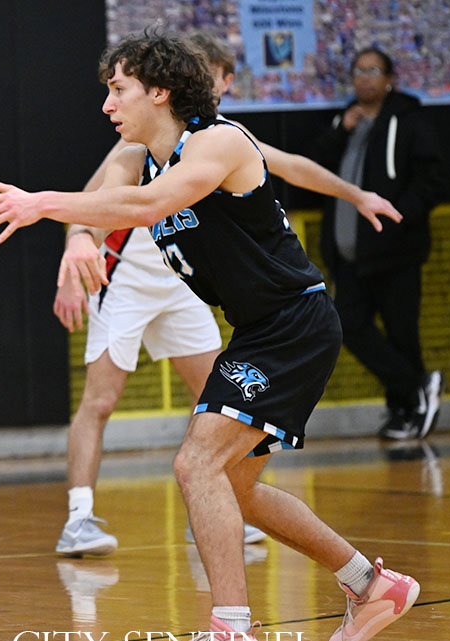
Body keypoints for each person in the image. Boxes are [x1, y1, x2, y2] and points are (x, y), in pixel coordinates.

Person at [0, 31, 419, 641]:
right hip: (262, 329)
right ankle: (371, 584)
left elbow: (149, 206)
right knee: (237, 488)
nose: (107, 105)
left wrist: (40, 203)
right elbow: (111, 194)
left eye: (118, 90)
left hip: (293, 325)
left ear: (159, 90)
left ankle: (233, 639)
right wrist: (78, 237)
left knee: (197, 463)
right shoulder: (139, 155)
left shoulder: (220, 143)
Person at [53, 29, 402, 557]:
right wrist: (75, 248)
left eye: (214, 77)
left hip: (190, 289)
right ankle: (80, 516)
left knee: (218, 404)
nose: (206, 86)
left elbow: (291, 164)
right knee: (101, 400)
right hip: (126, 276)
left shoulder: (220, 138)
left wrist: (355, 194)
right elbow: (93, 205)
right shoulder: (136, 146)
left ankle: (220, 505)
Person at [315, 47, 444, 441]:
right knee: (346, 324)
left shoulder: (409, 120)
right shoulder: (347, 121)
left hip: (395, 252)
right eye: (358, 70)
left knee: (402, 333)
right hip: (349, 256)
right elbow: (314, 169)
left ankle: (406, 411)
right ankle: (416, 389)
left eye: (373, 70)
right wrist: (341, 130)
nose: (364, 78)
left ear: (390, 78)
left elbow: (431, 179)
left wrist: (397, 220)